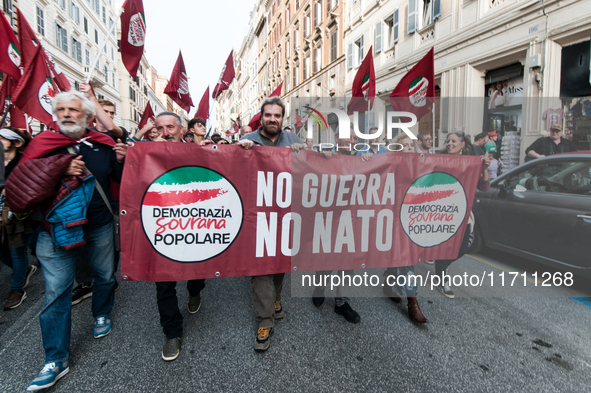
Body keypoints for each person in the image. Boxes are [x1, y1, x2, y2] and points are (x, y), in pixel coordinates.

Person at [4, 91, 126, 391]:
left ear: (87, 115)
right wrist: (58, 168)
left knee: (105, 275)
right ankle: (55, 359)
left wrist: (123, 159)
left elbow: (120, 179)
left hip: (98, 225)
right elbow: (20, 182)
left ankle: (101, 312)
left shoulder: (103, 144)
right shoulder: (43, 144)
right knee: (57, 293)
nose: (67, 114)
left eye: (73, 109)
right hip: (53, 229)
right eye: (61, 109)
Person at [239, 96, 302, 352]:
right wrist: (238, 153)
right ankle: (265, 319)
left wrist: (308, 154)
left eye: (277, 115)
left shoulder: (294, 141)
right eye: (268, 115)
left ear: (282, 118)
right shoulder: (248, 142)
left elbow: (311, 170)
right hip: (257, 216)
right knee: (260, 266)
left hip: (286, 214)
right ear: (261, 117)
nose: (272, 119)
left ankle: (275, 299)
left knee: (279, 263)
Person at [152, 111, 206, 361]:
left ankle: (195, 290)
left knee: (196, 272)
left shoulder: (196, 150)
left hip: (194, 225)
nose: (165, 132)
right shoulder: (146, 154)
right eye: (160, 128)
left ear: (181, 129)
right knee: (164, 283)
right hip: (162, 228)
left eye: (170, 127)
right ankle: (172, 332)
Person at [305, 130, 361, 323]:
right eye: (348, 137)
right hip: (330, 218)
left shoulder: (362, 161)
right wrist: (321, 158)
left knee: (348, 263)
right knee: (328, 258)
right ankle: (320, 286)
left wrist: (370, 159)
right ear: (336, 138)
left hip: (353, 219)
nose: (352, 141)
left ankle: (341, 302)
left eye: (355, 138)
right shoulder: (325, 158)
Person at [434, 131, 490, 298]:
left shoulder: (472, 163)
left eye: (454, 141)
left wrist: (485, 168)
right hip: (442, 211)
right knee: (443, 245)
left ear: (463, 144)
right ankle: (441, 277)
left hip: (463, 212)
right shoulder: (439, 160)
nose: (449, 143)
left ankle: (441, 266)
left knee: (463, 247)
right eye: (448, 141)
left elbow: (485, 187)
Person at [382, 134, 428, 323]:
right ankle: (405, 294)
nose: (408, 148)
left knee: (405, 256)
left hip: (412, 217)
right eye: (404, 145)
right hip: (392, 215)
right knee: (400, 254)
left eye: (411, 145)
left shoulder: (422, 164)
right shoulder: (389, 163)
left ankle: (403, 292)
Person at [0, 128, 38, 311]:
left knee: (18, 251)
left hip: (20, 216)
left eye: (2, 138)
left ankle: (17, 289)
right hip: (2, 216)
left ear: (17, 143)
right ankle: (25, 269)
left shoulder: (25, 163)